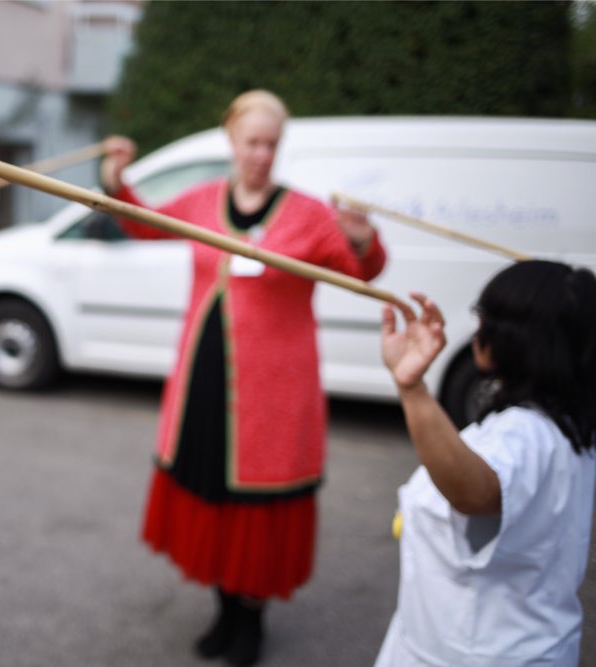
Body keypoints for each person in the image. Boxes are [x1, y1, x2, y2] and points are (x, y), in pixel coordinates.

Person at [99, 89, 388, 666]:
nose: (261, 154)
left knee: (258, 505)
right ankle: (223, 608)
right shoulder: (204, 200)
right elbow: (141, 223)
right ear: (231, 140)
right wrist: (114, 180)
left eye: (271, 144)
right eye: (252, 141)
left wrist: (360, 236)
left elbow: (362, 273)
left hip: (274, 394)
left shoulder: (309, 214)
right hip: (205, 379)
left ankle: (250, 620)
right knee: (213, 491)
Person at [377, 262, 596, 666]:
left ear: (515, 337)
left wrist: (413, 390)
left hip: (478, 652)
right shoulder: (568, 420)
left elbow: (475, 492)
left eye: (484, 316)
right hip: (495, 642)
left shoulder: (528, 433)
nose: (477, 329)